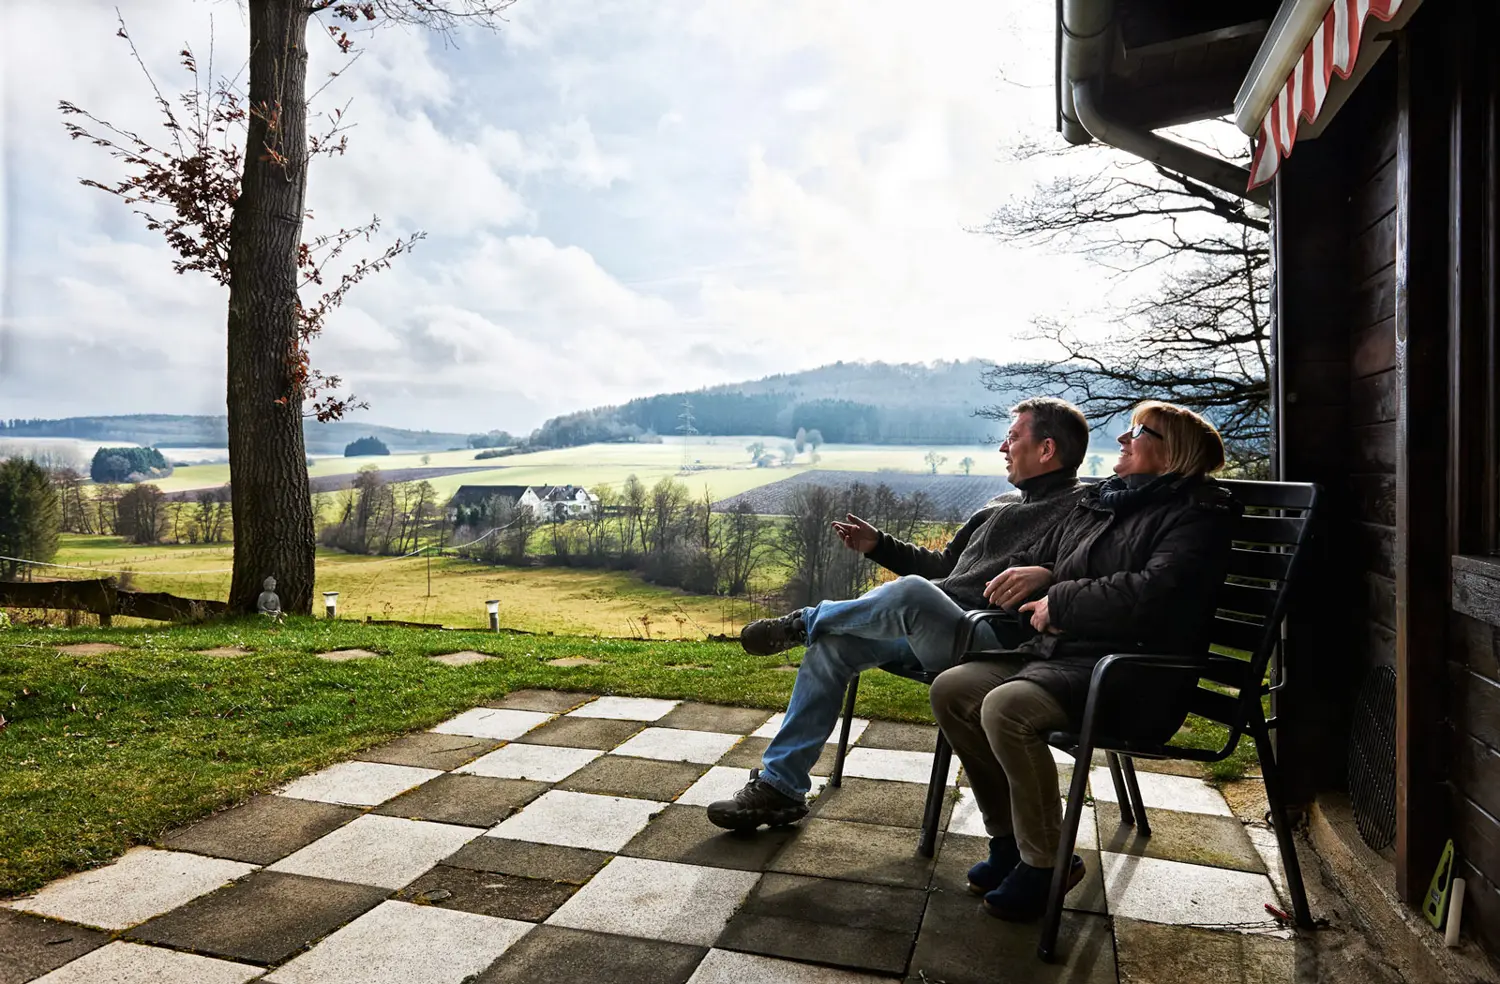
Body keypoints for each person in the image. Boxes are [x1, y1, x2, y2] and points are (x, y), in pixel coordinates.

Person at [707, 397, 1092, 831]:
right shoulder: (999, 504)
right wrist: (880, 546)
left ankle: (803, 620)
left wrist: (1049, 572)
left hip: (994, 644)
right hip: (937, 628)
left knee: (908, 594)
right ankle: (781, 788)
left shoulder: (1082, 510)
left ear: (1046, 449)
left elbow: (1094, 571)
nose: (1003, 448)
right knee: (832, 646)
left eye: (1013, 437)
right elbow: (946, 569)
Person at [929, 400, 1241, 921]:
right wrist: (1047, 577)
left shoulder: (1197, 517)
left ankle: (1046, 861)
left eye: (1138, 432)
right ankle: (1008, 841)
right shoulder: (1110, 503)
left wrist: (1062, 601)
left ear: (1172, 454)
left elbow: (1153, 594)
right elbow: (1073, 565)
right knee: (954, 689)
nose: (1121, 439)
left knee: (1007, 707)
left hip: (1131, 672)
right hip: (1068, 653)